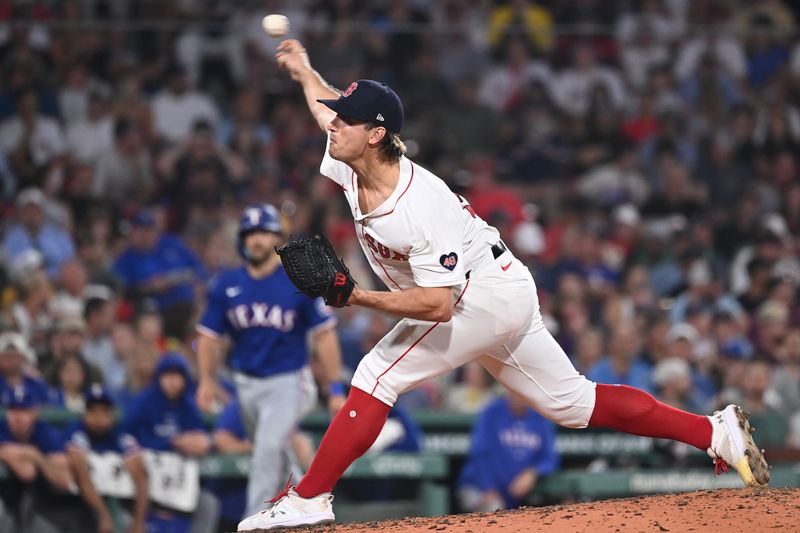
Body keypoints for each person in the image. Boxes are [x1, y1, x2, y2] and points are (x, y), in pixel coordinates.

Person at [236, 39, 770, 531]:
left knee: (377, 373)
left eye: (346, 120)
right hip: (500, 287)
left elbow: (439, 306)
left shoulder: (417, 206)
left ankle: (309, 497)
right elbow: (322, 104)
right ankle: (712, 432)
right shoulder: (355, 160)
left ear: (374, 134)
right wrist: (306, 70)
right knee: (574, 404)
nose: (333, 124)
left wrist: (356, 298)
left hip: (478, 296)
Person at [195, 203, 346, 517]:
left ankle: (254, 519)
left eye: (264, 232)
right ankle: (306, 508)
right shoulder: (225, 284)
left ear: (277, 237)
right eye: (251, 233)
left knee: (265, 450)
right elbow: (208, 337)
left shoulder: (296, 282)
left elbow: (325, 334)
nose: (257, 239)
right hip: (245, 384)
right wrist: (207, 380)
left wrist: (334, 388)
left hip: (288, 381)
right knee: (275, 454)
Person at [122, 354, 218, 533]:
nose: (173, 382)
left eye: (178, 376)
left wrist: (201, 443)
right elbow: (128, 437)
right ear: (159, 377)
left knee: (208, 503)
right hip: (145, 479)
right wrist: (173, 442)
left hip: (181, 478)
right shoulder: (143, 401)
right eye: (168, 375)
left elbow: (199, 433)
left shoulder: (187, 404)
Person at [64, 385, 149, 533]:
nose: (99, 418)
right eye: (93, 412)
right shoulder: (76, 431)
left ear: (112, 415)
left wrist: (139, 522)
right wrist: (103, 515)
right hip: (74, 505)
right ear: (85, 413)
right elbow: (80, 472)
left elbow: (141, 477)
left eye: (104, 412)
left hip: (119, 504)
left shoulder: (119, 436)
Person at [457, 392, 559, 511]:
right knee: (494, 508)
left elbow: (550, 459)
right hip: (477, 487)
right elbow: (480, 455)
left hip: (515, 496)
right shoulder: (492, 412)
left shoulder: (540, 417)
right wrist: (488, 488)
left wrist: (532, 472)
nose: (518, 395)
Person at [0, 384, 73, 532]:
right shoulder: (2, 428)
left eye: (24, 410)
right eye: (13, 410)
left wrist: (35, 456)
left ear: (34, 412)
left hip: (35, 506)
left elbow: (64, 480)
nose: (18, 417)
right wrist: (27, 454)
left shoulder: (44, 432)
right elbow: (26, 472)